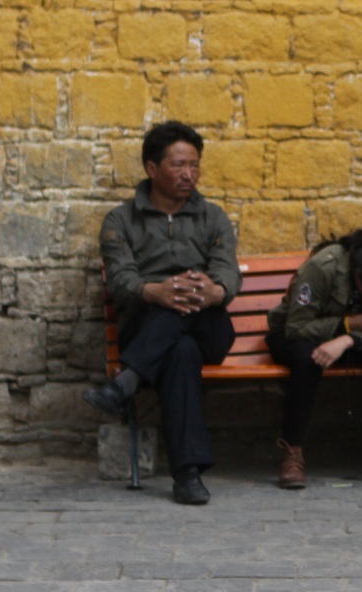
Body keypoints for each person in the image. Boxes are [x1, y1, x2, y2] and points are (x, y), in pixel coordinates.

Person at [84, 121, 240, 505]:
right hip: (146, 325)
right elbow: (121, 280)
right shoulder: (121, 220)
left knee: (186, 311)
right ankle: (187, 476)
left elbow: (227, 269)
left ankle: (127, 381)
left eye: (194, 165)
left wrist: (215, 291)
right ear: (152, 168)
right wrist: (156, 292)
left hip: (208, 324)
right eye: (179, 165)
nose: (189, 174)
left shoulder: (213, 217)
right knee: (180, 352)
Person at [264, 230, 362, 489]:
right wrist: (346, 324)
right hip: (297, 335)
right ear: (358, 275)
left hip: (352, 339)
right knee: (308, 360)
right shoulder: (322, 267)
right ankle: (292, 453)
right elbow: (296, 327)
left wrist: (348, 338)